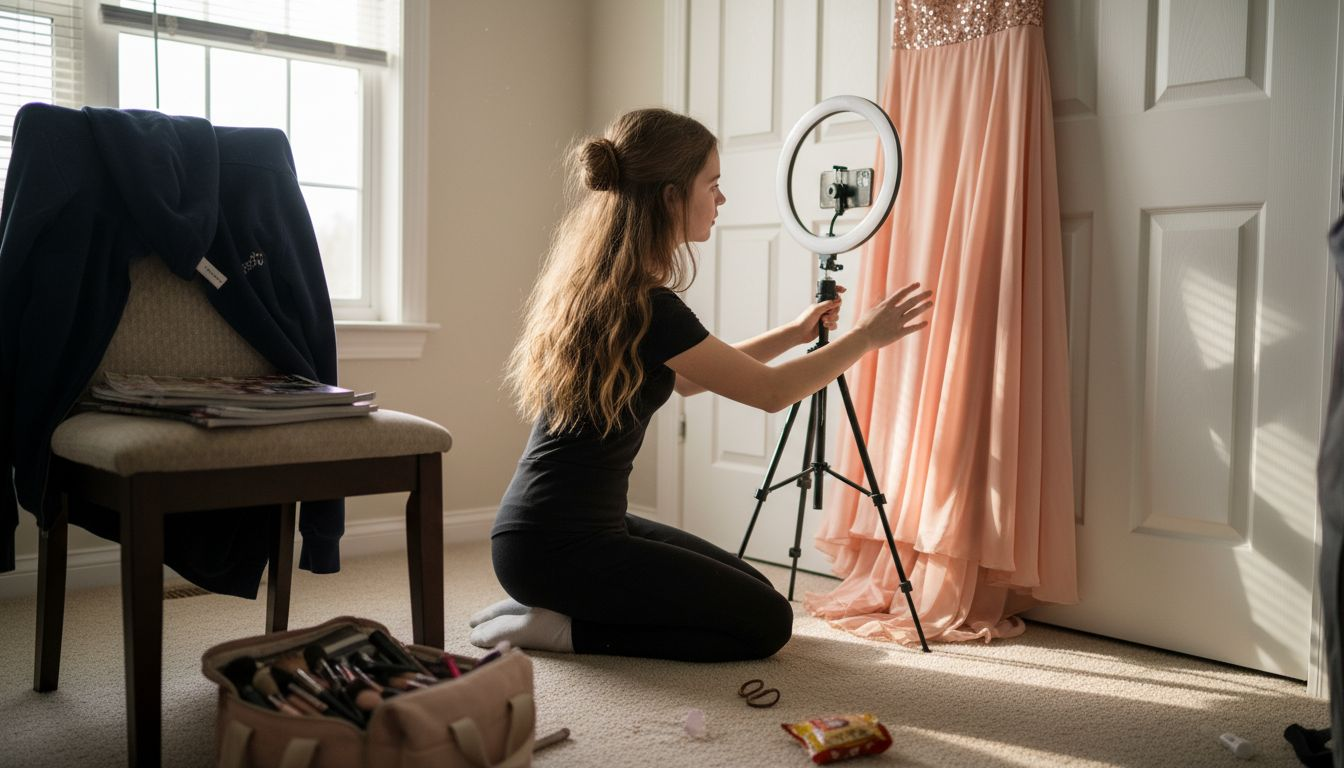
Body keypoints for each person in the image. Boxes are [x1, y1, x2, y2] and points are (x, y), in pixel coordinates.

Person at [469, 108, 933, 662]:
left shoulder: (612, 292)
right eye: (712, 185)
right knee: (767, 623)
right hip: (560, 548)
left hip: (546, 535)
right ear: (670, 197)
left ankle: (548, 608)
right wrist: (864, 337)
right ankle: (561, 631)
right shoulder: (649, 305)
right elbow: (770, 393)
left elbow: (687, 380)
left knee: (752, 591)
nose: (721, 200)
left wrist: (792, 333)